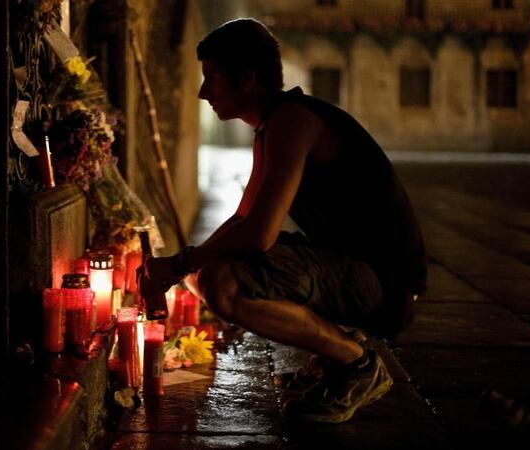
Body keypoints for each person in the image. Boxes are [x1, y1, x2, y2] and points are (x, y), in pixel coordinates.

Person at [139, 18, 427, 423]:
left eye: (213, 78)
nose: (204, 92)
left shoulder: (294, 122)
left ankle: (357, 364)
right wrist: (185, 264)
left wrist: (185, 262)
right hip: (360, 269)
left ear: (248, 79)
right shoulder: (274, 125)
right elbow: (243, 216)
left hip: (385, 286)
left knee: (223, 283)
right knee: (206, 274)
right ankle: (337, 354)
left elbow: (258, 234)